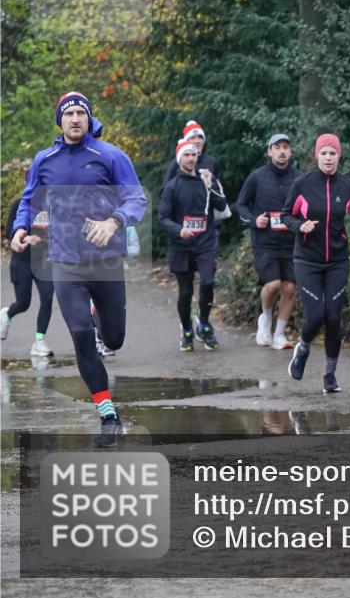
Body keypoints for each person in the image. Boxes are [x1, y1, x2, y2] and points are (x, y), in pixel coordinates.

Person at [10, 92, 147, 447]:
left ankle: (99, 314)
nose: (74, 119)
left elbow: (136, 198)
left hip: (105, 262)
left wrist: (115, 222)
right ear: (60, 120)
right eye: (68, 113)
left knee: (113, 338)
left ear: (88, 120)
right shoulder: (45, 160)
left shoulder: (110, 156)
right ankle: (107, 413)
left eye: (80, 114)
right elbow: (29, 199)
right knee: (81, 336)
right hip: (65, 261)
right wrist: (20, 228)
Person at [281, 134, 350, 393]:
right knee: (316, 315)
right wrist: (299, 225)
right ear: (317, 156)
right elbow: (285, 215)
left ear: (339, 156)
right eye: (324, 153)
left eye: (333, 153)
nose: (328, 158)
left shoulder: (347, 186)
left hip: (338, 261)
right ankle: (303, 347)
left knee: (334, 317)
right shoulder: (302, 184)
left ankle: (330, 375)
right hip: (307, 259)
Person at [158, 138, 228, 351]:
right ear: (180, 159)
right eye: (186, 155)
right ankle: (187, 329)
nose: (191, 158)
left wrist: (212, 184)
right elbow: (163, 217)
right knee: (185, 291)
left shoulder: (206, 180)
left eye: (193, 155)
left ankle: (204, 322)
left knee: (207, 282)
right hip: (181, 245)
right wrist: (180, 229)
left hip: (205, 243)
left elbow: (222, 205)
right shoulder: (172, 186)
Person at [236, 133, 302, 350]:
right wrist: (255, 220)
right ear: (269, 151)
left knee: (290, 287)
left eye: (286, 147)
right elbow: (241, 206)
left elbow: (308, 206)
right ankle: (265, 319)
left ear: (290, 152)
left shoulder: (299, 178)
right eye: (277, 147)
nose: (282, 151)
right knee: (273, 285)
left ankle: (279, 334)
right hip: (265, 242)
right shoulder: (257, 177)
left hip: (292, 242)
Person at [2, 185, 55, 357]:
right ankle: (7, 314)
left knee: (47, 299)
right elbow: (10, 232)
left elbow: (60, 233)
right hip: (22, 262)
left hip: (44, 262)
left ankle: (39, 341)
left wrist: (42, 239)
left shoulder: (53, 207)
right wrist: (25, 237)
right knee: (23, 304)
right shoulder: (20, 204)